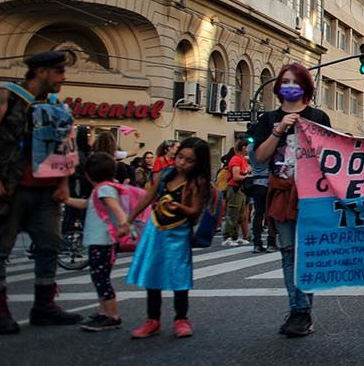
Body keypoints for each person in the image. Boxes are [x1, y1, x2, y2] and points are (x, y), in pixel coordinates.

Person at [0, 50, 83, 334]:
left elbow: (63, 148)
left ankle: (44, 307)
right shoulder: (4, 96)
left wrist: (62, 185)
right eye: (59, 71)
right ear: (41, 71)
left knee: (50, 246)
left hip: (45, 192)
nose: (63, 76)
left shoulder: (55, 104)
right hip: (10, 188)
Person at [251, 62, 331, 337]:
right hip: (282, 193)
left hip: (312, 196)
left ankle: (302, 312)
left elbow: (331, 157)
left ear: (305, 87)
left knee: (307, 254)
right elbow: (260, 157)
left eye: (296, 81)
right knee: (288, 253)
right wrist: (278, 130)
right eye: (285, 81)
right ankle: (299, 310)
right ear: (278, 86)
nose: (290, 86)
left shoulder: (318, 116)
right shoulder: (267, 119)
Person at [122, 137, 212, 338]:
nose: (182, 163)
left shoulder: (197, 182)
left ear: (198, 163)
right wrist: (128, 220)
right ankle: (152, 320)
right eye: (180, 157)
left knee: (179, 276)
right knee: (152, 274)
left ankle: (181, 318)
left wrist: (179, 206)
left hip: (178, 232)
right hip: (155, 229)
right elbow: (147, 197)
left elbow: (195, 211)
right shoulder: (164, 175)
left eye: (189, 161)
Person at [63, 152, 129, 331]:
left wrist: (124, 223)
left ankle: (113, 316)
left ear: (88, 174)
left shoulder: (103, 189)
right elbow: (86, 204)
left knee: (101, 279)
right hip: (100, 242)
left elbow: (115, 208)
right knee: (100, 278)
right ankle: (103, 312)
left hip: (103, 242)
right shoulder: (102, 188)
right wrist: (67, 200)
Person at [221, 140, 251, 246]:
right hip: (234, 188)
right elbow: (236, 176)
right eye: (248, 147)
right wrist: (246, 176)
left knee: (240, 214)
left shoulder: (243, 159)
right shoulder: (236, 159)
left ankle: (235, 236)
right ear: (243, 147)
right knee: (232, 212)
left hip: (241, 189)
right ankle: (227, 237)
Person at [247, 140, 272, 253]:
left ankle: (257, 242)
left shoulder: (250, 147)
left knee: (258, 213)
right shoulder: (269, 146)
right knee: (270, 214)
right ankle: (271, 241)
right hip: (268, 181)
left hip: (256, 182)